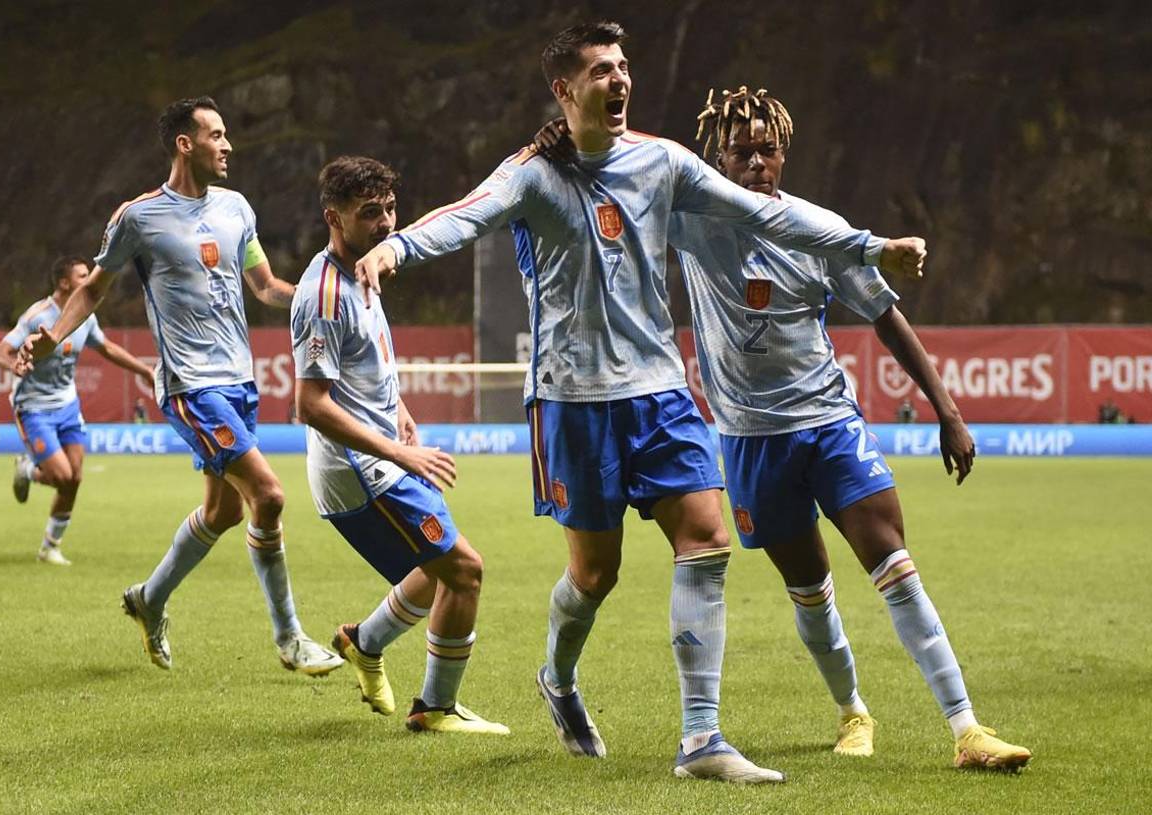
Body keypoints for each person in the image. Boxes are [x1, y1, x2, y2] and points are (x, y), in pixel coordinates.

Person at [355, 21, 926, 783]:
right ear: (565, 90)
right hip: (572, 400)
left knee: (707, 537)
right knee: (594, 575)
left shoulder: (662, 162)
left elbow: (767, 212)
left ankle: (701, 739)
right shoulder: (531, 173)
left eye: (623, 67)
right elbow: (466, 213)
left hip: (660, 390)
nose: (619, 80)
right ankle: (556, 678)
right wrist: (399, 246)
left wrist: (866, 245)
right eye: (600, 70)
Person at [667, 85, 1030, 770]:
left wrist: (947, 410)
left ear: (784, 155)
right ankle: (853, 710)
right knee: (809, 590)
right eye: (740, 152)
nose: (755, 164)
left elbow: (885, 316)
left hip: (829, 422)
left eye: (767, 151)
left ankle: (967, 728)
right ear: (719, 156)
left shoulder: (818, 229)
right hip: (749, 440)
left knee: (894, 563)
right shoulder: (695, 222)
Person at [16, 97, 341, 675]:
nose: (229, 144)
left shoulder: (238, 209)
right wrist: (57, 336)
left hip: (239, 382)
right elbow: (93, 290)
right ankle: (290, 638)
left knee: (222, 513)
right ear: (185, 144)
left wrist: (322, 296)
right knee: (267, 495)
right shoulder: (137, 218)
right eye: (217, 135)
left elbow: (263, 285)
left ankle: (150, 599)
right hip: (190, 385)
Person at [291, 156, 507, 735]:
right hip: (363, 471)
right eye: (370, 214)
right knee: (463, 571)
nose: (387, 224)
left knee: (437, 570)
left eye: (389, 208)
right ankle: (435, 708)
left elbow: (364, 370)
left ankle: (364, 642)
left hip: (379, 460)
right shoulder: (323, 295)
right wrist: (399, 453)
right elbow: (310, 405)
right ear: (332, 217)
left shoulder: (365, 269)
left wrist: (402, 413)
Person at [0, 256, 154, 565]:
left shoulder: (84, 317)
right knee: (62, 476)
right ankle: (27, 469)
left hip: (67, 405)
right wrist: (15, 366)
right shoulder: (36, 316)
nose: (90, 278)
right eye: (82, 275)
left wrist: (143, 371)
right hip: (34, 408)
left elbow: (107, 348)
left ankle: (50, 547)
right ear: (64, 283)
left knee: (75, 477)